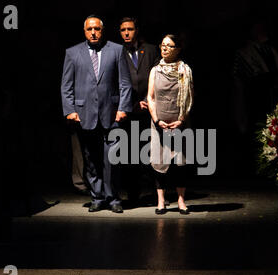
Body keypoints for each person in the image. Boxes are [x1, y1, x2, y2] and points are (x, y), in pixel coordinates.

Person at [61, 14, 132, 213]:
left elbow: (124, 83)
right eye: (89, 29)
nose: (93, 32)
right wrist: (70, 111)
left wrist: (123, 108)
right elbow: (66, 86)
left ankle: (113, 198)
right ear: (84, 31)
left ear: (102, 30)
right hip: (85, 115)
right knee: (91, 159)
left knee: (112, 159)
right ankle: (97, 197)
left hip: (112, 114)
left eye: (97, 29)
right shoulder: (73, 53)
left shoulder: (116, 50)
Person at [147, 34, 194, 215]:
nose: (164, 48)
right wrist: (157, 120)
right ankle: (161, 201)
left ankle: (181, 201)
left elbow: (189, 97)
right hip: (159, 123)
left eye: (169, 46)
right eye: (162, 45)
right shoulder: (155, 70)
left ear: (178, 49)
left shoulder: (185, 70)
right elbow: (150, 97)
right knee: (159, 161)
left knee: (180, 162)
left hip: (180, 122)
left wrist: (181, 119)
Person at [118, 17, 160, 205]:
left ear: (137, 30)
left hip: (149, 110)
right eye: (122, 30)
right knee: (130, 156)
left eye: (129, 29)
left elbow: (158, 76)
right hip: (128, 111)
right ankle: (133, 195)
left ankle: (155, 194)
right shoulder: (116, 52)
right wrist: (130, 104)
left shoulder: (150, 50)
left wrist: (145, 100)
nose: (126, 33)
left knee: (151, 153)